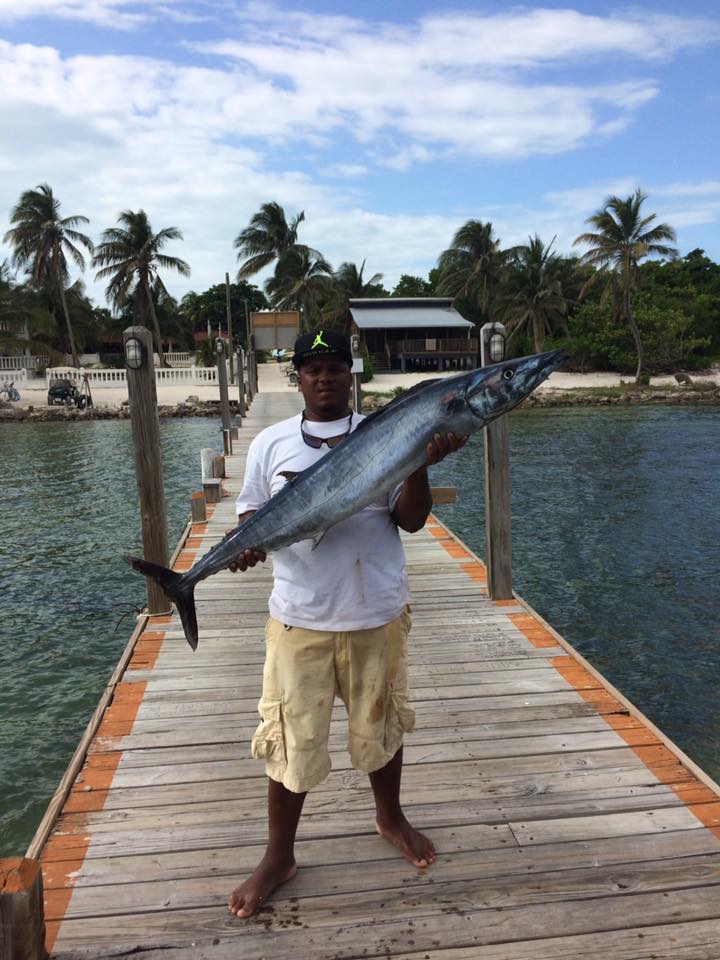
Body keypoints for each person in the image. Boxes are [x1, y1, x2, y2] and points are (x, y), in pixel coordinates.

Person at [227, 329, 466, 918]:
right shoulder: (271, 443)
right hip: (298, 617)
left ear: (349, 375)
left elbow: (410, 521)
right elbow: (252, 513)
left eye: (335, 368)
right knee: (290, 741)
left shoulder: (385, 432)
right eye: (313, 370)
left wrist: (419, 465)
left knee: (382, 726)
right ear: (299, 379)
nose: (325, 378)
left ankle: (390, 817)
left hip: (376, 610)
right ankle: (278, 855)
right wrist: (247, 543)